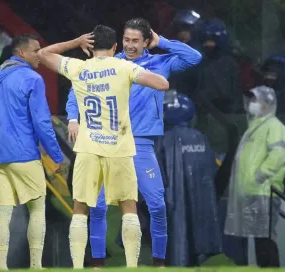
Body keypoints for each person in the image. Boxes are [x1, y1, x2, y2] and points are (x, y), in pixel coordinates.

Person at [66, 18, 202, 267]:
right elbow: (76, 89)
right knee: (98, 207)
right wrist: (73, 118)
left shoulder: (160, 62)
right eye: (126, 40)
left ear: (147, 41)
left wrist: (163, 42)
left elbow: (194, 58)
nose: (129, 45)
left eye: (135, 41)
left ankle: (159, 263)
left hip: (141, 145)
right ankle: (98, 264)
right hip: (108, 142)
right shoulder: (111, 64)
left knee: (157, 205)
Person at [37, 25, 169, 268]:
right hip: (119, 148)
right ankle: (131, 265)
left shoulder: (79, 67)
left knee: (80, 209)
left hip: (87, 148)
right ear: (115, 47)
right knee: (128, 207)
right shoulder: (124, 67)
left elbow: (43, 54)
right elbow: (162, 84)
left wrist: (75, 42)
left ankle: (79, 266)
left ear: (91, 46)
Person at [0, 34, 64, 270]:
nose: (40, 54)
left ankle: (1, 267)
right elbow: (42, 122)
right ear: (21, 53)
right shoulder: (32, 78)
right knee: (37, 209)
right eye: (36, 50)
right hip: (24, 153)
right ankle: (36, 266)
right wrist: (56, 155)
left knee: (2, 215)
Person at [224, 86, 285, 267]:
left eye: (255, 100)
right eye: (250, 100)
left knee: (265, 242)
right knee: (259, 243)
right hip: (253, 193)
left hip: (264, 193)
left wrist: (259, 176)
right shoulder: (255, 127)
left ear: (267, 105)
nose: (251, 104)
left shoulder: (274, 127)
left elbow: (279, 155)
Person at [156, 92, 222, 266]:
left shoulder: (164, 140)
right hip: (201, 208)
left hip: (173, 208)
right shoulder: (202, 138)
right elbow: (213, 170)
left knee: (176, 249)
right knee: (194, 252)